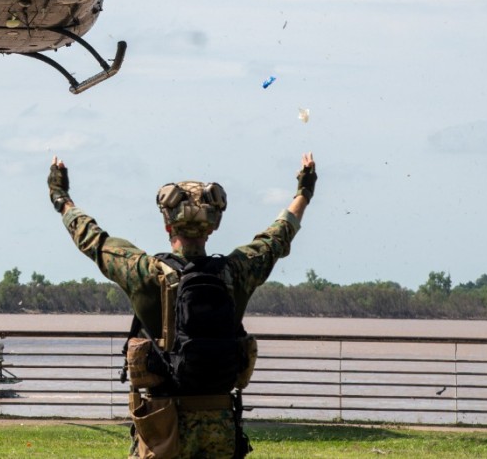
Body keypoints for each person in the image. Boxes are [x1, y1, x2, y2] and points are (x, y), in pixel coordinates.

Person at [48, 153, 318, 459]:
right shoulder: (238, 271)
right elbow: (278, 236)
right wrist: (304, 190)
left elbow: (92, 239)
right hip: (220, 425)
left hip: (162, 424)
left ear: (168, 226)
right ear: (212, 228)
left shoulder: (143, 272)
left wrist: (60, 195)